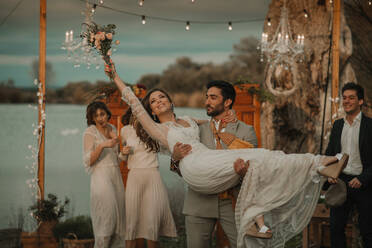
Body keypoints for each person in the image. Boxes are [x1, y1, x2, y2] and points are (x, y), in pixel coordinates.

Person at [104, 61, 348, 248]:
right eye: (153, 101)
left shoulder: (195, 122)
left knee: (263, 155)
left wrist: (228, 126)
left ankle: (320, 165)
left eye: (161, 97)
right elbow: (135, 104)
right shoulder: (159, 129)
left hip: (228, 197)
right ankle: (318, 166)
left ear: (227, 103)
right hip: (198, 182)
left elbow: (217, 127)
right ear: (152, 111)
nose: (157, 101)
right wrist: (114, 76)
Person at [170, 80, 259, 247]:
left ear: (227, 102)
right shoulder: (196, 132)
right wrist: (175, 159)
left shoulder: (246, 131)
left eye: (213, 97)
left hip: (233, 202)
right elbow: (183, 170)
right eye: (206, 97)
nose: (207, 102)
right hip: (198, 201)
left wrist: (243, 172)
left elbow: (256, 169)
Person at [119, 109, 177, 248]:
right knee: (132, 221)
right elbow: (122, 157)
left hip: (153, 176)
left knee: (152, 222)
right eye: (135, 112)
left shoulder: (154, 129)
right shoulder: (126, 130)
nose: (138, 115)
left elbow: (169, 146)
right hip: (134, 176)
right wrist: (122, 153)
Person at [325, 82, 372, 248]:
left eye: (351, 98)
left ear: (360, 101)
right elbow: (330, 154)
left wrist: (363, 179)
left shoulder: (370, 125)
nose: (347, 101)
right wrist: (331, 174)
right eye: (344, 98)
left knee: (368, 230)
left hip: (364, 184)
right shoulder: (337, 125)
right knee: (336, 229)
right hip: (341, 183)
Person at [82, 101, 125, 248]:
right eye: (96, 116)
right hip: (101, 178)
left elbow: (116, 159)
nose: (100, 118)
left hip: (115, 177)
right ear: (92, 118)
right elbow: (88, 161)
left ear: (107, 114)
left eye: (102, 114)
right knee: (107, 218)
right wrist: (102, 145)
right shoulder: (90, 132)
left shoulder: (112, 129)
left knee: (120, 221)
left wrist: (123, 151)